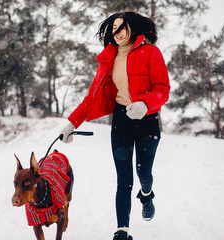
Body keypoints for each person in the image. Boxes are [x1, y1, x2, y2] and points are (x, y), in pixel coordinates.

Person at [60, 11, 170, 240]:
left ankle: (147, 193)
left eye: (121, 28)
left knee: (144, 172)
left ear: (133, 28)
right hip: (121, 120)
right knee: (123, 180)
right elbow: (92, 97)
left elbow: (162, 89)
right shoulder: (108, 58)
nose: (116, 33)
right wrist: (71, 123)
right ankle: (123, 231)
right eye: (113, 29)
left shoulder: (151, 52)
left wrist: (145, 104)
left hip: (147, 121)